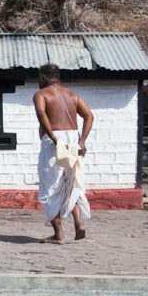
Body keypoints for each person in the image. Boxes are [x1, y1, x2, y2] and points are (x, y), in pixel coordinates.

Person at [34, 63, 93, 244]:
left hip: (55, 141)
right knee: (71, 183)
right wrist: (82, 141)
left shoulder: (41, 94)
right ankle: (78, 222)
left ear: (44, 77)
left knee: (50, 188)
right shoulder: (73, 95)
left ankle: (58, 234)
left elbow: (42, 115)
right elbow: (89, 115)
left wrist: (53, 137)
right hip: (73, 138)